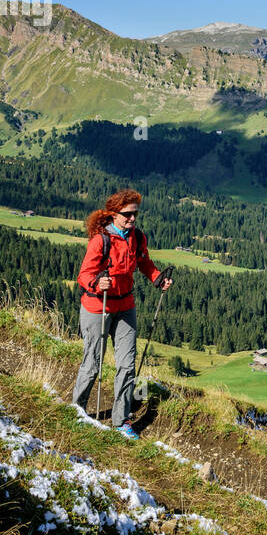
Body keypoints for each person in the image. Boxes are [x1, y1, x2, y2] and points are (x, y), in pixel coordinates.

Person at [72, 188, 171, 440]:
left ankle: (121, 420)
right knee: (92, 363)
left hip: (125, 306)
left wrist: (158, 279)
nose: (132, 219)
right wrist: (97, 283)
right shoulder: (101, 240)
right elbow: (84, 275)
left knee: (127, 366)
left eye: (135, 214)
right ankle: (77, 410)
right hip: (98, 306)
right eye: (127, 214)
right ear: (114, 214)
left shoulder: (137, 237)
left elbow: (144, 263)